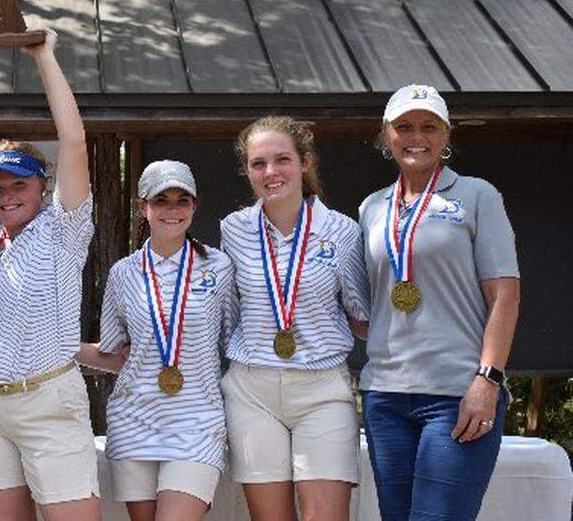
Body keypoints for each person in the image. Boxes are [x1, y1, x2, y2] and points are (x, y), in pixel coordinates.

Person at [358, 85, 520, 521]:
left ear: (446, 136)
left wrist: (487, 379)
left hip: (457, 392)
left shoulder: (476, 195)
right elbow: (369, 307)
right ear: (386, 135)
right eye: (405, 126)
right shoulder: (372, 208)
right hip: (385, 394)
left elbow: (504, 292)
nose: (417, 136)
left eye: (429, 127)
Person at [0, 29, 99, 521]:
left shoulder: (63, 229)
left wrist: (45, 57)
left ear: (43, 186)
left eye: (19, 184)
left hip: (46, 399)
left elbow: (75, 140)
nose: (6, 196)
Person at [219, 115, 369, 521]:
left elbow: (360, 314)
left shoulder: (341, 230)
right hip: (252, 391)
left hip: (322, 390)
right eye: (258, 164)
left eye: (281, 159)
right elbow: (229, 312)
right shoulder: (233, 229)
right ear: (247, 171)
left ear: (304, 162)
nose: (270, 172)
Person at [77, 160, 234, 521]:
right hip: (134, 421)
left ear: (195, 206)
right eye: (161, 200)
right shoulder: (123, 273)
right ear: (143, 207)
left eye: (183, 200)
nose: (172, 210)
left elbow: (233, 339)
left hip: (198, 422)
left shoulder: (220, 267)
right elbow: (114, 354)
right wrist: (54, 350)